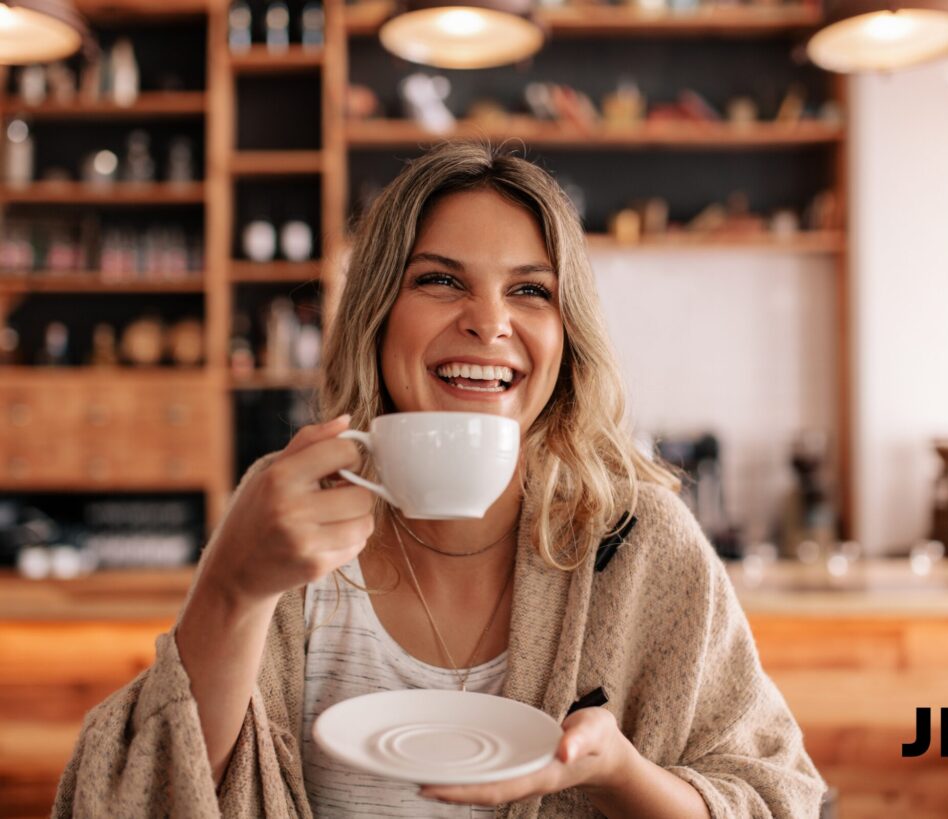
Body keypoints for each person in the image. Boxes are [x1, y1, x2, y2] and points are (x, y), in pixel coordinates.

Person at [54, 141, 826, 818]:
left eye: (530, 289)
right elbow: (132, 798)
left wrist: (619, 773)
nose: (489, 321)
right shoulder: (290, 527)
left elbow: (776, 794)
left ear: (567, 338)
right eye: (440, 280)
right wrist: (231, 588)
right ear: (378, 312)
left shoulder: (636, 542)